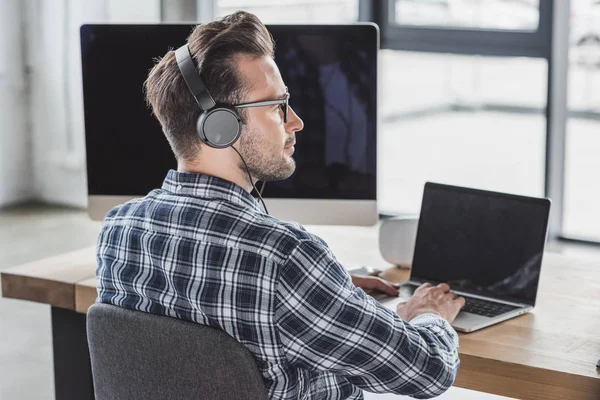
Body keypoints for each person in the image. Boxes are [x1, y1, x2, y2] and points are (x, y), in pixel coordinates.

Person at [96, 11, 465, 399]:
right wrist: (428, 314)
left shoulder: (119, 229)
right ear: (220, 126)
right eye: (277, 106)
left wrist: (329, 288)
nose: (296, 122)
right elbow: (429, 372)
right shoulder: (285, 259)